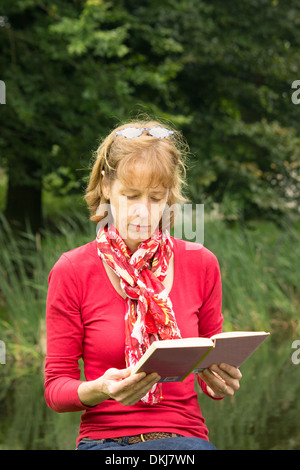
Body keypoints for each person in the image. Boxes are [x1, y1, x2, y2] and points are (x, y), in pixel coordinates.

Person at [44, 119, 242, 451]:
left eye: (155, 198)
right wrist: (100, 389)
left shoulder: (201, 262)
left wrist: (219, 382)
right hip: (104, 442)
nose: (143, 212)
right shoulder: (73, 270)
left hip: (185, 438)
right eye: (131, 195)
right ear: (107, 187)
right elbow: (56, 389)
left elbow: (210, 366)